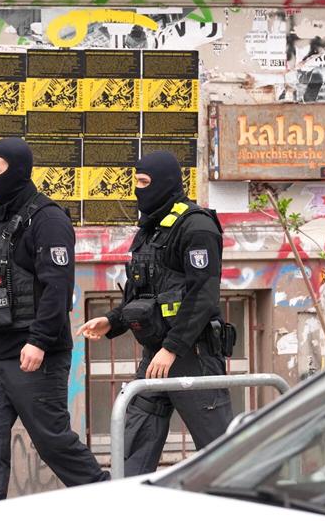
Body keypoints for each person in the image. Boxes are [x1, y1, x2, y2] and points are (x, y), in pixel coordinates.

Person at [0, 137, 107, 504]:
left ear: (19, 171)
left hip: (33, 353)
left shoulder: (49, 220)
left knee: (52, 441)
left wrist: (40, 341)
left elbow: (58, 286)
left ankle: (108, 499)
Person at [77, 151, 234, 476]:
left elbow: (202, 296)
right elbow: (143, 294)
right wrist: (112, 321)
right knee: (133, 446)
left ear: (163, 183)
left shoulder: (197, 227)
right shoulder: (151, 230)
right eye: (136, 182)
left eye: (144, 183)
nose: (138, 190)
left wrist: (172, 348)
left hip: (193, 354)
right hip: (157, 355)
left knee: (222, 454)